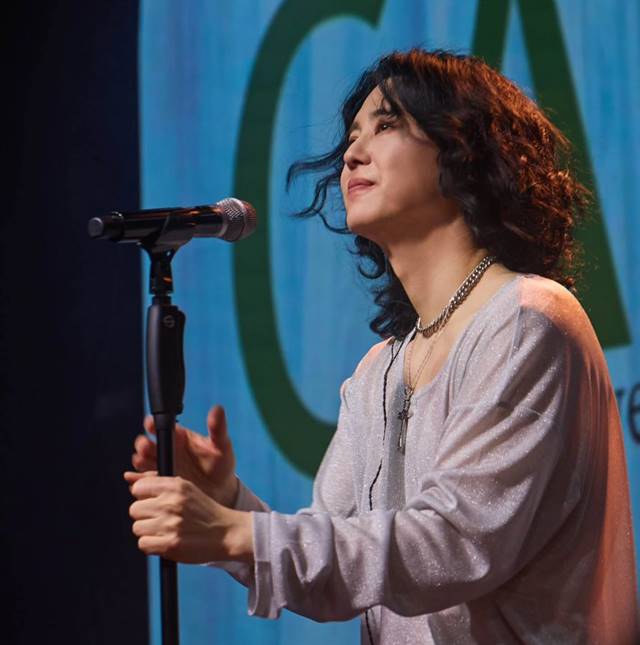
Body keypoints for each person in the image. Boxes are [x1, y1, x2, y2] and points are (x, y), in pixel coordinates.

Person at [124, 49, 639, 643]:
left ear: (463, 150)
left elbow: (453, 542)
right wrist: (231, 505)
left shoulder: (527, 320)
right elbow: (339, 565)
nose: (351, 154)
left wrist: (237, 533)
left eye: (386, 125)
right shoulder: (381, 369)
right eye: (351, 137)